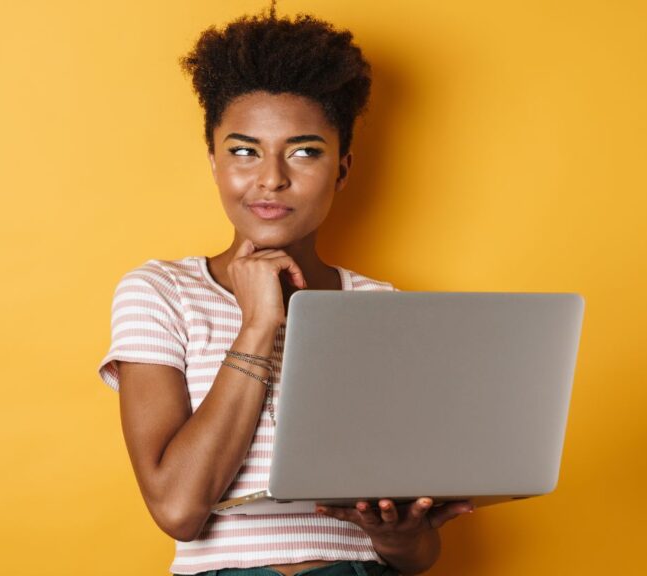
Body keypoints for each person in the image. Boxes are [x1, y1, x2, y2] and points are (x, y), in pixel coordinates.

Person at [97, 4, 474, 575]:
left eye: (304, 150)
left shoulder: (378, 306)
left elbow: (417, 554)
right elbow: (177, 508)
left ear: (343, 167)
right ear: (214, 162)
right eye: (243, 151)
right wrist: (258, 324)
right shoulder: (160, 292)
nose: (271, 177)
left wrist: (398, 533)